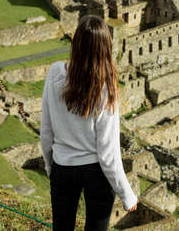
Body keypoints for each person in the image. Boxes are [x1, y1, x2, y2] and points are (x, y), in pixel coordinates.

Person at [40, 15, 138, 231]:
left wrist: (51, 166)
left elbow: (45, 131)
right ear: (105, 48)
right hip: (96, 172)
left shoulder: (55, 72)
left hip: (63, 165)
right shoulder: (105, 88)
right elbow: (108, 151)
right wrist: (127, 194)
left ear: (76, 43)